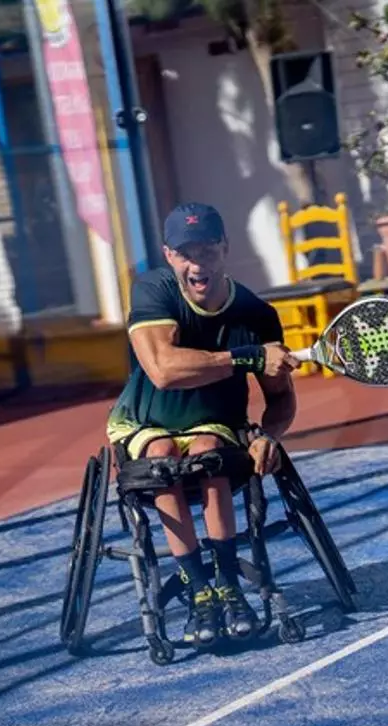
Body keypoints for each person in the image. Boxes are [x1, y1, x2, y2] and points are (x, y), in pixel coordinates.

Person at [106, 202, 300, 648]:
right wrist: (249, 357)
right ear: (168, 255)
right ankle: (198, 588)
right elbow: (163, 370)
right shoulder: (152, 290)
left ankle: (228, 584)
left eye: (207, 251)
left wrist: (269, 435)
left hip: (216, 424)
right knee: (161, 456)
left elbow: (281, 398)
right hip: (144, 421)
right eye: (184, 254)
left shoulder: (256, 314)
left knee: (207, 451)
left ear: (225, 248)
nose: (197, 265)